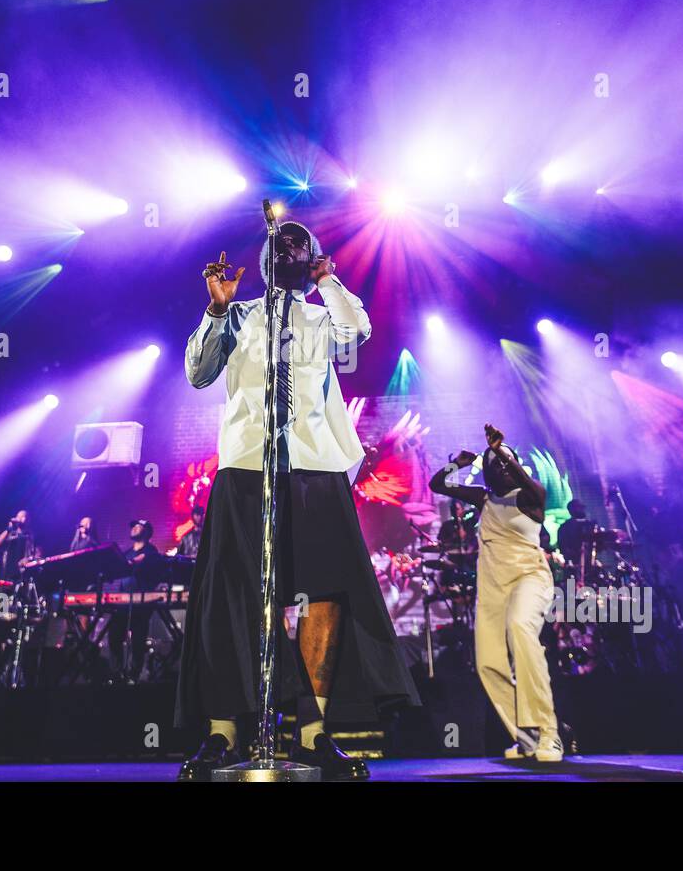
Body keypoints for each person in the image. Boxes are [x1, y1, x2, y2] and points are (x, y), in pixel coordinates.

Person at [176, 221, 418, 781]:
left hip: (313, 467)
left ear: (311, 258)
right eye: (280, 243)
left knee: (323, 595)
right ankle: (222, 733)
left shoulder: (319, 318)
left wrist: (328, 281)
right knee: (230, 597)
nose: (289, 248)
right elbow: (197, 372)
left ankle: (312, 734)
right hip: (245, 467)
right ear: (266, 260)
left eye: (300, 244)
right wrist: (215, 310)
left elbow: (358, 328)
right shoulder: (237, 315)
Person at [429, 423, 563, 762]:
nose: (500, 465)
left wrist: (501, 452)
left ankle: (549, 733)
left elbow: (521, 477)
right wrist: (457, 464)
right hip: (492, 586)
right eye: (493, 462)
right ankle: (527, 737)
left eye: (505, 461)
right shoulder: (483, 497)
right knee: (489, 662)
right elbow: (438, 484)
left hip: (529, 577)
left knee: (520, 628)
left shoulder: (531, 497)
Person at [105, 519, 165, 682]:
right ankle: (117, 675)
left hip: (142, 604)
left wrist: (136, 562)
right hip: (123, 604)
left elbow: (149, 564)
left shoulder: (151, 552)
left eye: (138, 526)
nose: (133, 528)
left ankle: (134, 676)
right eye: (133, 526)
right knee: (114, 635)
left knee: (138, 641)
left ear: (147, 532)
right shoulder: (126, 553)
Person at [0, 509, 35, 578]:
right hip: (5, 571)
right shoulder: (10, 533)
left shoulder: (28, 536)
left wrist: (27, 559)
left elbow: (32, 553)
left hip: (19, 573)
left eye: (23, 516)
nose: (21, 518)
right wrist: (9, 528)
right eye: (19, 516)